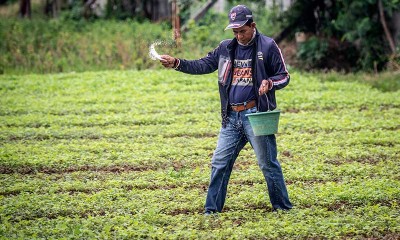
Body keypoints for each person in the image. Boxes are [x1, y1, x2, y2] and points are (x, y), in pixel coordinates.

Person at [160, 5, 292, 214]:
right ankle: (211, 211)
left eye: (242, 30)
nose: (239, 35)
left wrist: (270, 82)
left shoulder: (267, 46)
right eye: (235, 31)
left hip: (256, 115)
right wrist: (177, 63)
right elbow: (203, 65)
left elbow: (284, 75)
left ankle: (283, 208)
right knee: (220, 163)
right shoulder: (226, 48)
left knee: (268, 164)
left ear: (253, 26)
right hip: (231, 117)